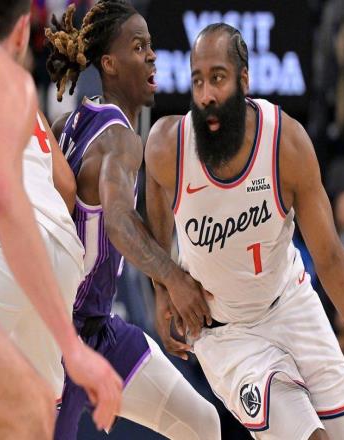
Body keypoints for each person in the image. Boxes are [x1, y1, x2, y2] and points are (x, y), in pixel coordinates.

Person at [144, 23, 344, 440]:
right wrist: (164, 282)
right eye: (197, 80)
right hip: (226, 333)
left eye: (218, 78)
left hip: (292, 303)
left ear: (244, 80)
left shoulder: (285, 144)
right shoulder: (170, 145)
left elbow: (331, 259)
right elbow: (153, 185)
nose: (206, 95)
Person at [0, 0, 122, 438]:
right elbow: (18, 195)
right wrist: (72, 347)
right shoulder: (4, 76)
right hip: (54, 248)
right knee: (33, 414)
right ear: (22, 32)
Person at [46, 2, 220, 439]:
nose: (152, 55)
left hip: (100, 331)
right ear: (109, 64)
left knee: (202, 423)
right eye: (139, 47)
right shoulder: (119, 139)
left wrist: (160, 290)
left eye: (150, 45)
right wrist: (174, 280)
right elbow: (120, 223)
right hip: (59, 337)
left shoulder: (68, 123)